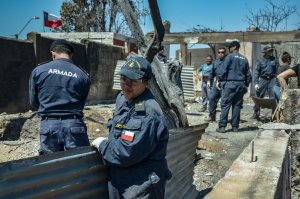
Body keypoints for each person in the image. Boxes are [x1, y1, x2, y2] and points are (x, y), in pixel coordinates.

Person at [91, 56, 172, 199]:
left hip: (141, 183)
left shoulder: (148, 113)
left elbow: (126, 152)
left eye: (133, 82)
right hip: (121, 177)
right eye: (124, 79)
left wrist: (102, 144)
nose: (126, 86)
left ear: (146, 83)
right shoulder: (123, 98)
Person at [29, 39, 91, 155]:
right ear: (71, 55)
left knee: (50, 166)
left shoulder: (39, 71)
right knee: (79, 164)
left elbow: (34, 101)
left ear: (53, 53)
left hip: (48, 124)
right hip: (74, 124)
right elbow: (82, 103)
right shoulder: (82, 75)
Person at [216, 41, 251, 133]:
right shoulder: (244, 59)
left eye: (230, 47)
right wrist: (246, 85)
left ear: (235, 47)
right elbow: (248, 75)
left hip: (230, 84)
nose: (229, 49)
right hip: (240, 84)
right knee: (237, 106)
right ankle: (235, 127)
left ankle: (222, 127)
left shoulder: (229, 57)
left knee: (225, 105)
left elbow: (223, 70)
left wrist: (220, 80)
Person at [251, 44, 279, 119]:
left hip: (272, 79)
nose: (271, 52)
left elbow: (277, 71)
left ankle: (274, 114)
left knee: (273, 96)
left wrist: (276, 81)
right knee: (259, 96)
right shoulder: (260, 60)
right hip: (263, 79)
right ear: (265, 52)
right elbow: (256, 72)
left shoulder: (274, 60)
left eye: (271, 50)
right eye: (269, 50)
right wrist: (256, 83)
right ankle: (256, 112)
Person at [206, 47, 227, 122]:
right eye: (219, 52)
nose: (221, 54)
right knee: (211, 98)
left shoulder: (228, 61)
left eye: (222, 52)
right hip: (217, 83)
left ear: (225, 53)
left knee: (224, 102)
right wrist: (209, 81)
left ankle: (223, 119)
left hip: (225, 83)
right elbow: (212, 73)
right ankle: (212, 116)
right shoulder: (216, 62)